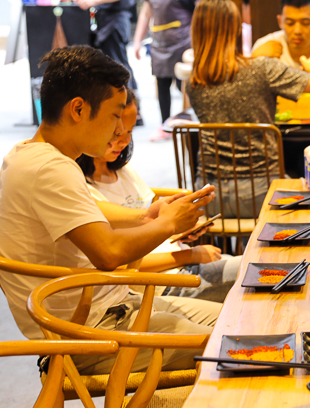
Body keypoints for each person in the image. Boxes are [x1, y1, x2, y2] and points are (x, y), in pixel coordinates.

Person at [0, 45, 219, 375]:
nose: (118, 130)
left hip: (114, 310)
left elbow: (91, 212)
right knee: (235, 346)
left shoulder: (27, 155)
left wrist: (147, 215)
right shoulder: (51, 168)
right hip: (90, 333)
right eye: (114, 115)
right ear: (78, 109)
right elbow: (108, 254)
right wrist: (167, 225)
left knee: (235, 322)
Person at [76, 91, 239, 303]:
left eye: (130, 131)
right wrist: (187, 254)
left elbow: (153, 217)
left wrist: (179, 229)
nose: (124, 140)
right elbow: (118, 261)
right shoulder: (82, 190)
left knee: (253, 266)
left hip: (179, 261)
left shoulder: (121, 169)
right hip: (161, 279)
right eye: (116, 133)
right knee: (253, 271)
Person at [187, 0, 310, 218]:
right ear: (235, 29)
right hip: (261, 193)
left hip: (209, 196)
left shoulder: (193, 81)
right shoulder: (261, 68)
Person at [132, 0, 203, 137]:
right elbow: (146, 13)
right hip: (159, 41)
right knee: (161, 84)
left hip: (184, 41)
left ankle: (191, 118)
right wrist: (138, 41)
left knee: (184, 84)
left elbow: (201, 10)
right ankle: (165, 126)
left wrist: (201, 40)